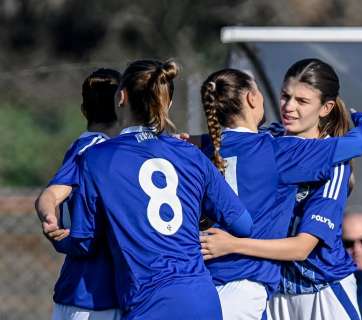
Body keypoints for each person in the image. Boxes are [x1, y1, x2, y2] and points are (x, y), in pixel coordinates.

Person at [43, 59, 254, 320]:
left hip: (150, 304)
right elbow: (243, 224)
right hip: (203, 300)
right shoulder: (191, 153)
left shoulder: (97, 158)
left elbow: (86, 242)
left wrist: (59, 239)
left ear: (121, 97)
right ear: (169, 103)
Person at [199, 59, 362, 319]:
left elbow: (303, 247)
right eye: (285, 96)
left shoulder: (333, 163)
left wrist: (234, 244)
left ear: (326, 108)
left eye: (302, 101)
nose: (289, 107)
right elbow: (227, 141)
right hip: (276, 288)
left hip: (320, 287)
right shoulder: (268, 139)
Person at [35, 68, 121, 320]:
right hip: (100, 297)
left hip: (76, 292)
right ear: (124, 104)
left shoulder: (83, 147)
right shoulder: (101, 149)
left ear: (83, 110)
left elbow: (50, 195)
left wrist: (49, 217)